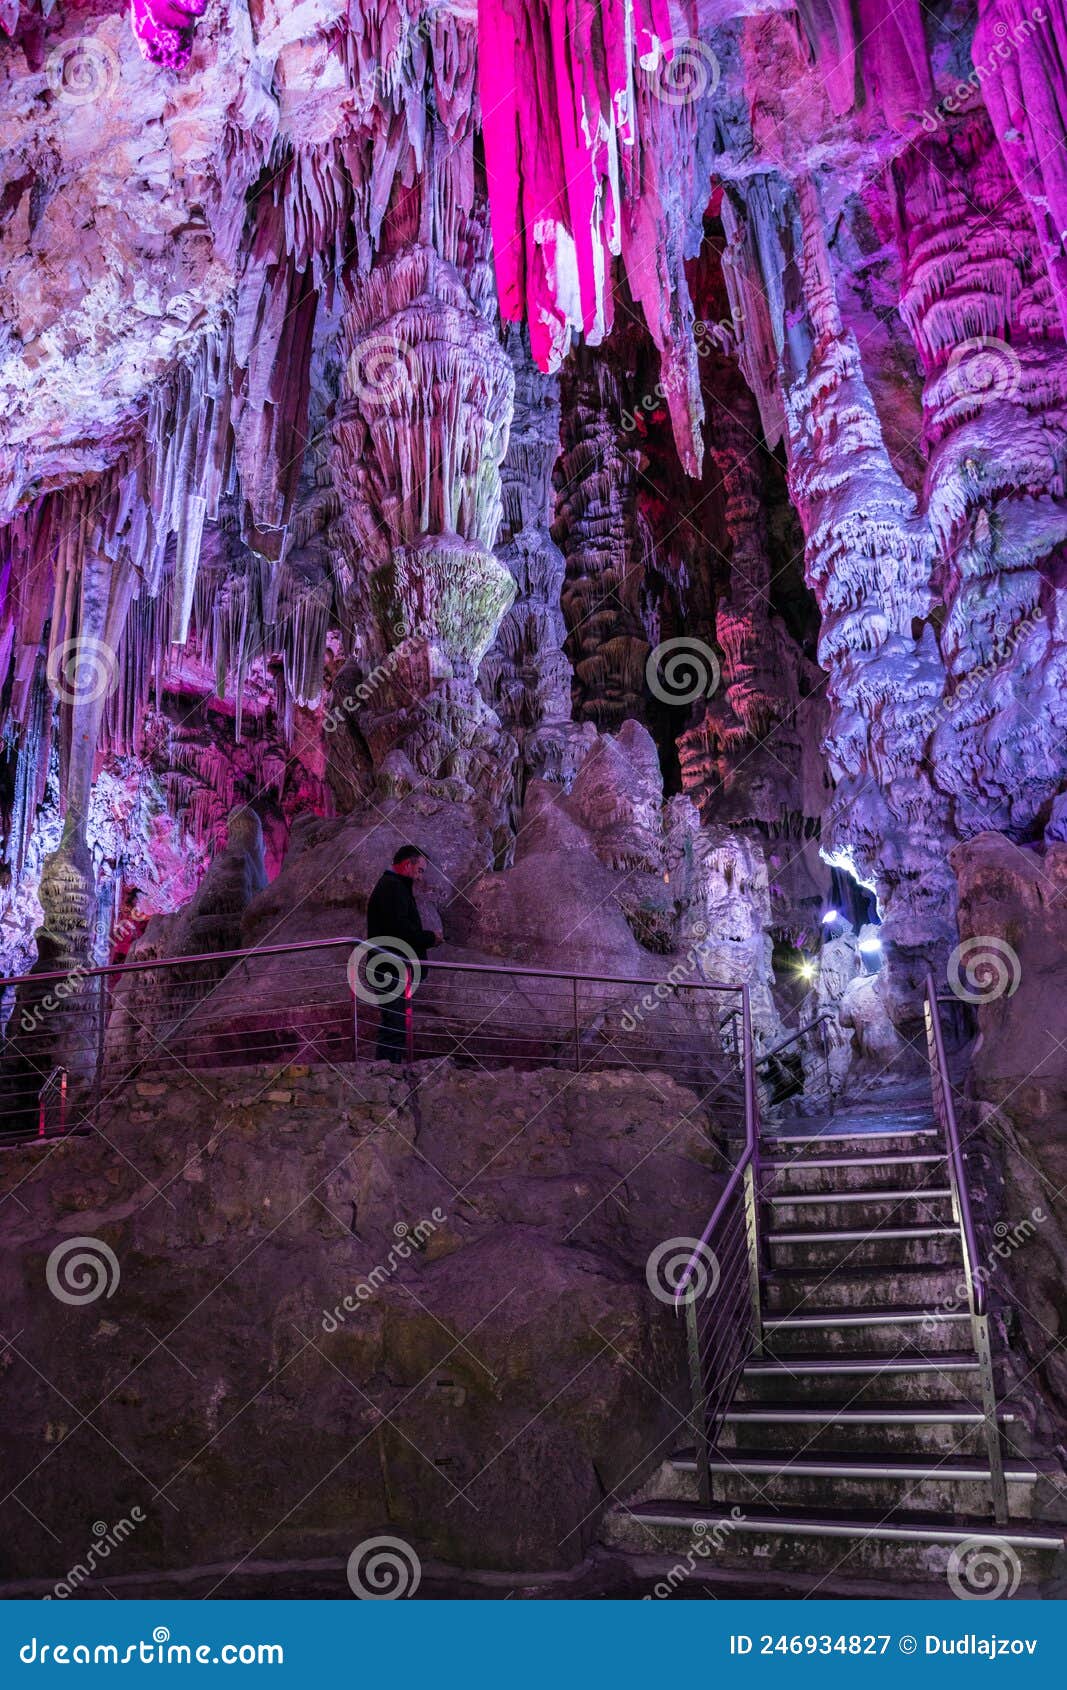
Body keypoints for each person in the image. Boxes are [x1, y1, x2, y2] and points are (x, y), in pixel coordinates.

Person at [365, 845, 442, 1062]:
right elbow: (400, 930)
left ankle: (387, 1074)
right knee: (394, 1026)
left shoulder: (393, 886)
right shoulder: (393, 887)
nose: (419, 878)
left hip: (390, 966)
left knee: (395, 1024)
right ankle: (386, 1075)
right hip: (390, 968)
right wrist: (430, 938)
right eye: (419, 871)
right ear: (407, 865)